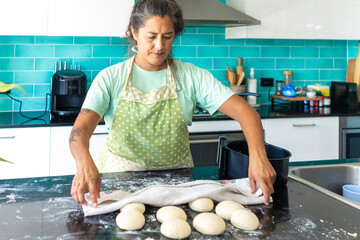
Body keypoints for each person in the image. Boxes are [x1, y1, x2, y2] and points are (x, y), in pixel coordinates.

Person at [69, 0, 276, 208]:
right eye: (151, 37)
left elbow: (246, 112)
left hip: (177, 187)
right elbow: (81, 128)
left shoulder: (191, 76)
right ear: (134, 32)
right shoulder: (110, 78)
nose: (159, 46)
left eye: (167, 37)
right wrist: (83, 161)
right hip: (121, 185)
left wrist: (258, 156)